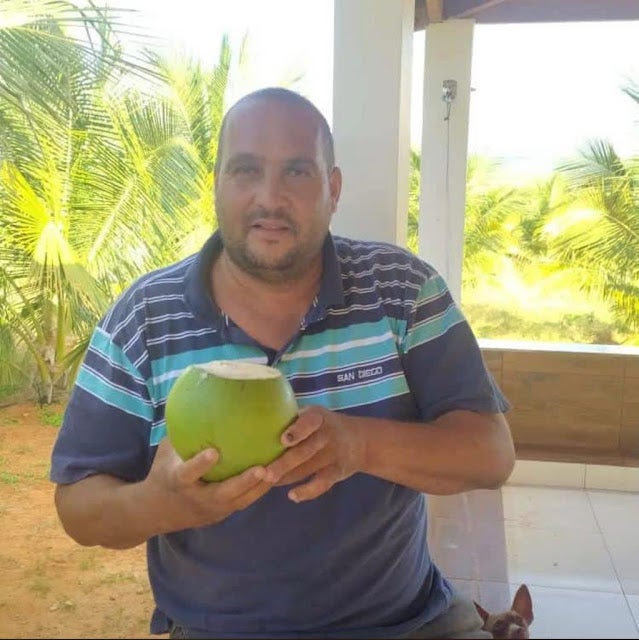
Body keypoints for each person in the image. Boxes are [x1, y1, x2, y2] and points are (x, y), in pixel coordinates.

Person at [50, 86, 516, 639]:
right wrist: (161, 504)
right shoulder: (145, 318)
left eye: (297, 171)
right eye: (246, 170)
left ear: (332, 188)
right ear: (217, 183)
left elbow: (491, 455)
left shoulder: (401, 290)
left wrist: (359, 444)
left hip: (406, 622)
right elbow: (78, 506)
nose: (269, 198)